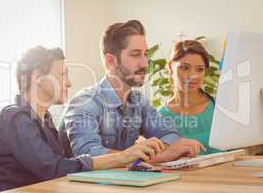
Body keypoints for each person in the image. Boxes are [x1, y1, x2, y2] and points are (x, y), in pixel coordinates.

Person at [0, 46, 165, 193]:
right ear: (37, 76)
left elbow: (63, 168)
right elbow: (54, 169)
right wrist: (123, 156)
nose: (69, 83)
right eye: (62, 74)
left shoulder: (45, 119)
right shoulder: (15, 118)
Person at [59, 20, 205, 164]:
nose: (144, 63)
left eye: (145, 54)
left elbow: (170, 134)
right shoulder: (84, 103)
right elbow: (90, 156)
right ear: (111, 61)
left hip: (122, 184)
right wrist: (161, 156)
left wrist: (159, 153)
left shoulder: (138, 101)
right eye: (135, 55)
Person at [158, 40, 221, 154]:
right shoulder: (160, 118)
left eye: (200, 69)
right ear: (170, 68)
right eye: (185, 68)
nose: (193, 76)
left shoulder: (220, 109)